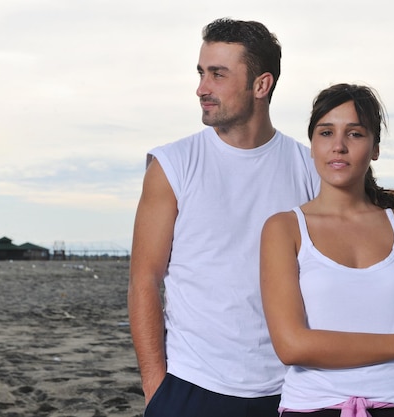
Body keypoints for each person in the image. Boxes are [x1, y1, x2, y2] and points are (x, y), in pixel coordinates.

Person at [127, 18, 319, 417]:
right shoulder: (173, 165)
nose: (202, 88)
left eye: (217, 74)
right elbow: (144, 279)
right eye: (201, 73)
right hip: (191, 384)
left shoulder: (310, 168)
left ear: (261, 85)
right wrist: (155, 387)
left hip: (290, 388)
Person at [260, 83, 394, 417]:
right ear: (312, 145)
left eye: (355, 134)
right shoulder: (284, 228)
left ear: (375, 147)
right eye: (326, 132)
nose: (339, 146)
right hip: (314, 407)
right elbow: (292, 345)